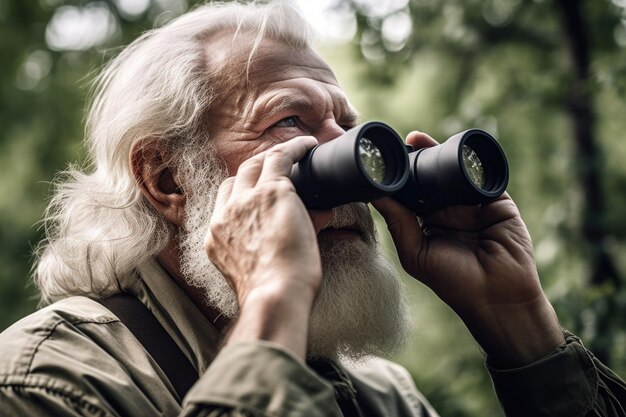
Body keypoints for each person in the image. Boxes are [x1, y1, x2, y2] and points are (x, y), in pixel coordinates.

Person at [1, 2, 624, 416]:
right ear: (167, 178)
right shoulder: (50, 384)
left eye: (348, 128)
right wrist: (273, 299)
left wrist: (522, 330)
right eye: (289, 121)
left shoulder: (383, 397)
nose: (350, 166)